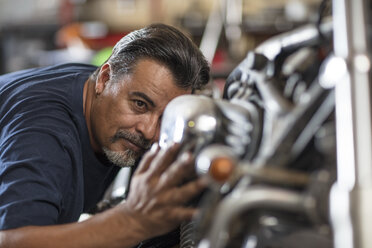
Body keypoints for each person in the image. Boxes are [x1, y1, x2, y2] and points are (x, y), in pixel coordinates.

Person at [0, 23, 210, 247]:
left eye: (163, 118)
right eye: (140, 104)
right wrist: (130, 222)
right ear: (104, 78)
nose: (149, 132)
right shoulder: (45, 135)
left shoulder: (97, 87)